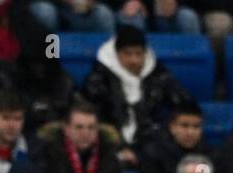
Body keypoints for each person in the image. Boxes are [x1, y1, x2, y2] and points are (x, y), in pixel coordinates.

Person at [80, 24, 192, 163]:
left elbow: (185, 104)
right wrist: (120, 147)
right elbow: (91, 122)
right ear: (116, 54)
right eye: (127, 54)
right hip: (106, 147)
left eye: (139, 54)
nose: (134, 60)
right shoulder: (97, 81)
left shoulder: (158, 75)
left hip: (149, 144)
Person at [137, 101, 214, 173]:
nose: (190, 132)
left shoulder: (207, 153)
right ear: (172, 127)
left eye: (196, 126)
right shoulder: (153, 152)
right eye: (184, 126)